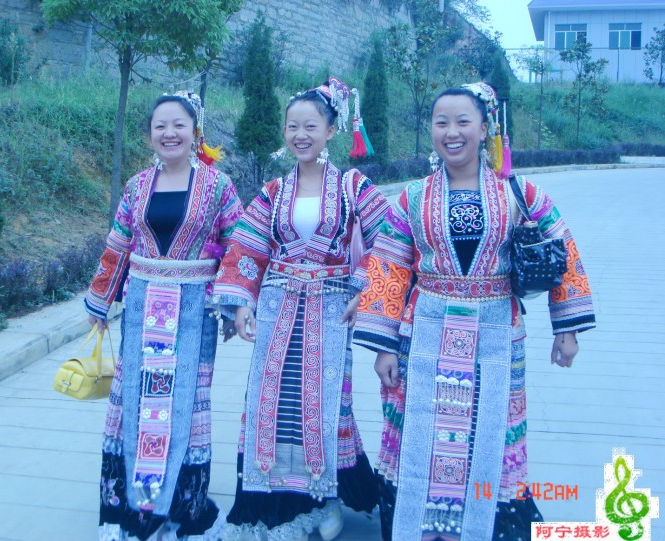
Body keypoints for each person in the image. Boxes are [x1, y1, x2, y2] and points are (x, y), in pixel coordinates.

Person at [353, 82, 596, 541]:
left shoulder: (518, 193)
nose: (452, 132)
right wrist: (382, 345)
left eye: (463, 121)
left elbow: (564, 251)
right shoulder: (412, 198)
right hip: (423, 335)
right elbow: (388, 265)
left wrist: (567, 328)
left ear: (486, 128)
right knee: (421, 436)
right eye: (441, 122)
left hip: (497, 333)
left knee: (491, 431)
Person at [212, 77, 390, 540]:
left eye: (310, 125)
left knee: (328, 403)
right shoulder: (274, 191)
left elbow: (391, 241)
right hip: (279, 305)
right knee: (275, 403)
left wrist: (364, 289)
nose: (300, 134)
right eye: (292, 126)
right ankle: (275, 496)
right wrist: (241, 303)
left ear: (332, 129)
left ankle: (326, 495)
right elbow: (247, 247)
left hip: (332, 310)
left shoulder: (354, 187)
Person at [85, 91, 243, 541]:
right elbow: (118, 247)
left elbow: (238, 247)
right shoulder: (137, 186)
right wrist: (101, 304)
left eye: (179, 125)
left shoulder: (219, 187)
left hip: (194, 313)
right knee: (134, 402)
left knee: (186, 405)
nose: (169, 133)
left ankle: (180, 508)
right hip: (140, 311)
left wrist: (232, 302)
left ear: (196, 133)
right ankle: (128, 510)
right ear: (150, 134)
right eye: (160, 126)